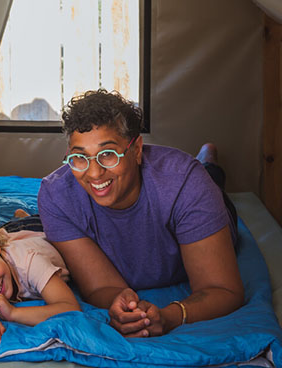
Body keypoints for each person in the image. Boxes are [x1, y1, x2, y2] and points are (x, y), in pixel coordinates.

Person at [38, 89, 243, 338]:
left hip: (205, 192)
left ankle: (208, 159)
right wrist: (122, 303)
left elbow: (222, 289)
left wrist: (170, 317)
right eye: (80, 157)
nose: (93, 173)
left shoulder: (186, 182)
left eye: (108, 155)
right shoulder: (55, 196)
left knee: (210, 176)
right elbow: (102, 286)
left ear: (136, 150)